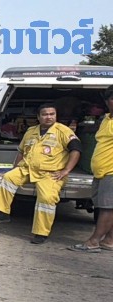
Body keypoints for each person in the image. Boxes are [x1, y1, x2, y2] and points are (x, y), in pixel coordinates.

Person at [0, 103, 82, 244]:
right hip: (27, 169)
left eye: (52, 114)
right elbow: (21, 152)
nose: (49, 117)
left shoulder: (63, 131)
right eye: (45, 114)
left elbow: (76, 150)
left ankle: (41, 233)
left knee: (46, 198)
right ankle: (2, 213)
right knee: (8, 177)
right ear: (38, 117)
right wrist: (15, 168)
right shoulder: (31, 131)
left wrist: (66, 170)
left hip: (50, 173)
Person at [69, 86, 113, 253]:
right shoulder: (107, 119)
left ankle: (93, 242)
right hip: (101, 171)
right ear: (107, 102)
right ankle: (109, 240)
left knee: (107, 208)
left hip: (111, 172)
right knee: (108, 207)